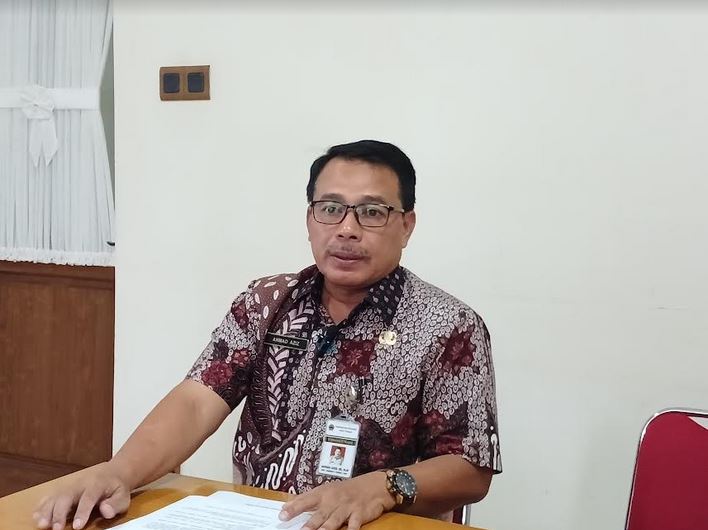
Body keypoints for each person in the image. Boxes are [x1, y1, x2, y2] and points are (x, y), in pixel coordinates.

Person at [33, 140, 502, 530]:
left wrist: (381, 487)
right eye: (330, 209)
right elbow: (197, 400)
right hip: (263, 519)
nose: (347, 229)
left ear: (406, 225)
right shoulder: (267, 302)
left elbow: (470, 468)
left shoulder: (447, 325)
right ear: (310, 219)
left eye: (372, 212)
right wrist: (118, 471)